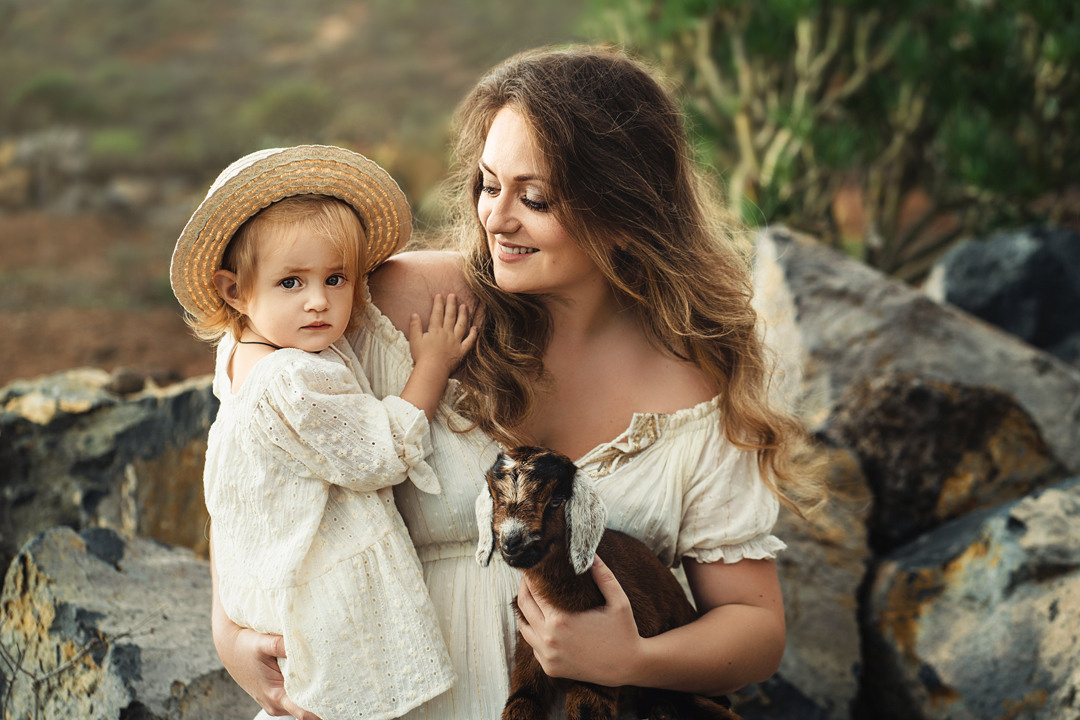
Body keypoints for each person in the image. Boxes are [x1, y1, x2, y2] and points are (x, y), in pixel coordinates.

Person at [211, 46, 824, 719]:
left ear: (623, 216)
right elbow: (258, 443)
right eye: (487, 183)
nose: (495, 219)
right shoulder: (400, 307)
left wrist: (631, 660)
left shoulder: (696, 387)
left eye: (534, 198)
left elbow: (754, 628)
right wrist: (229, 629)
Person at [170, 145, 477, 720]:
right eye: (291, 282)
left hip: (277, 588)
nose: (319, 302)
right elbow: (379, 453)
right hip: (326, 596)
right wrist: (431, 366)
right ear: (234, 291)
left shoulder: (238, 353)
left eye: (336, 278)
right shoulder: (290, 379)